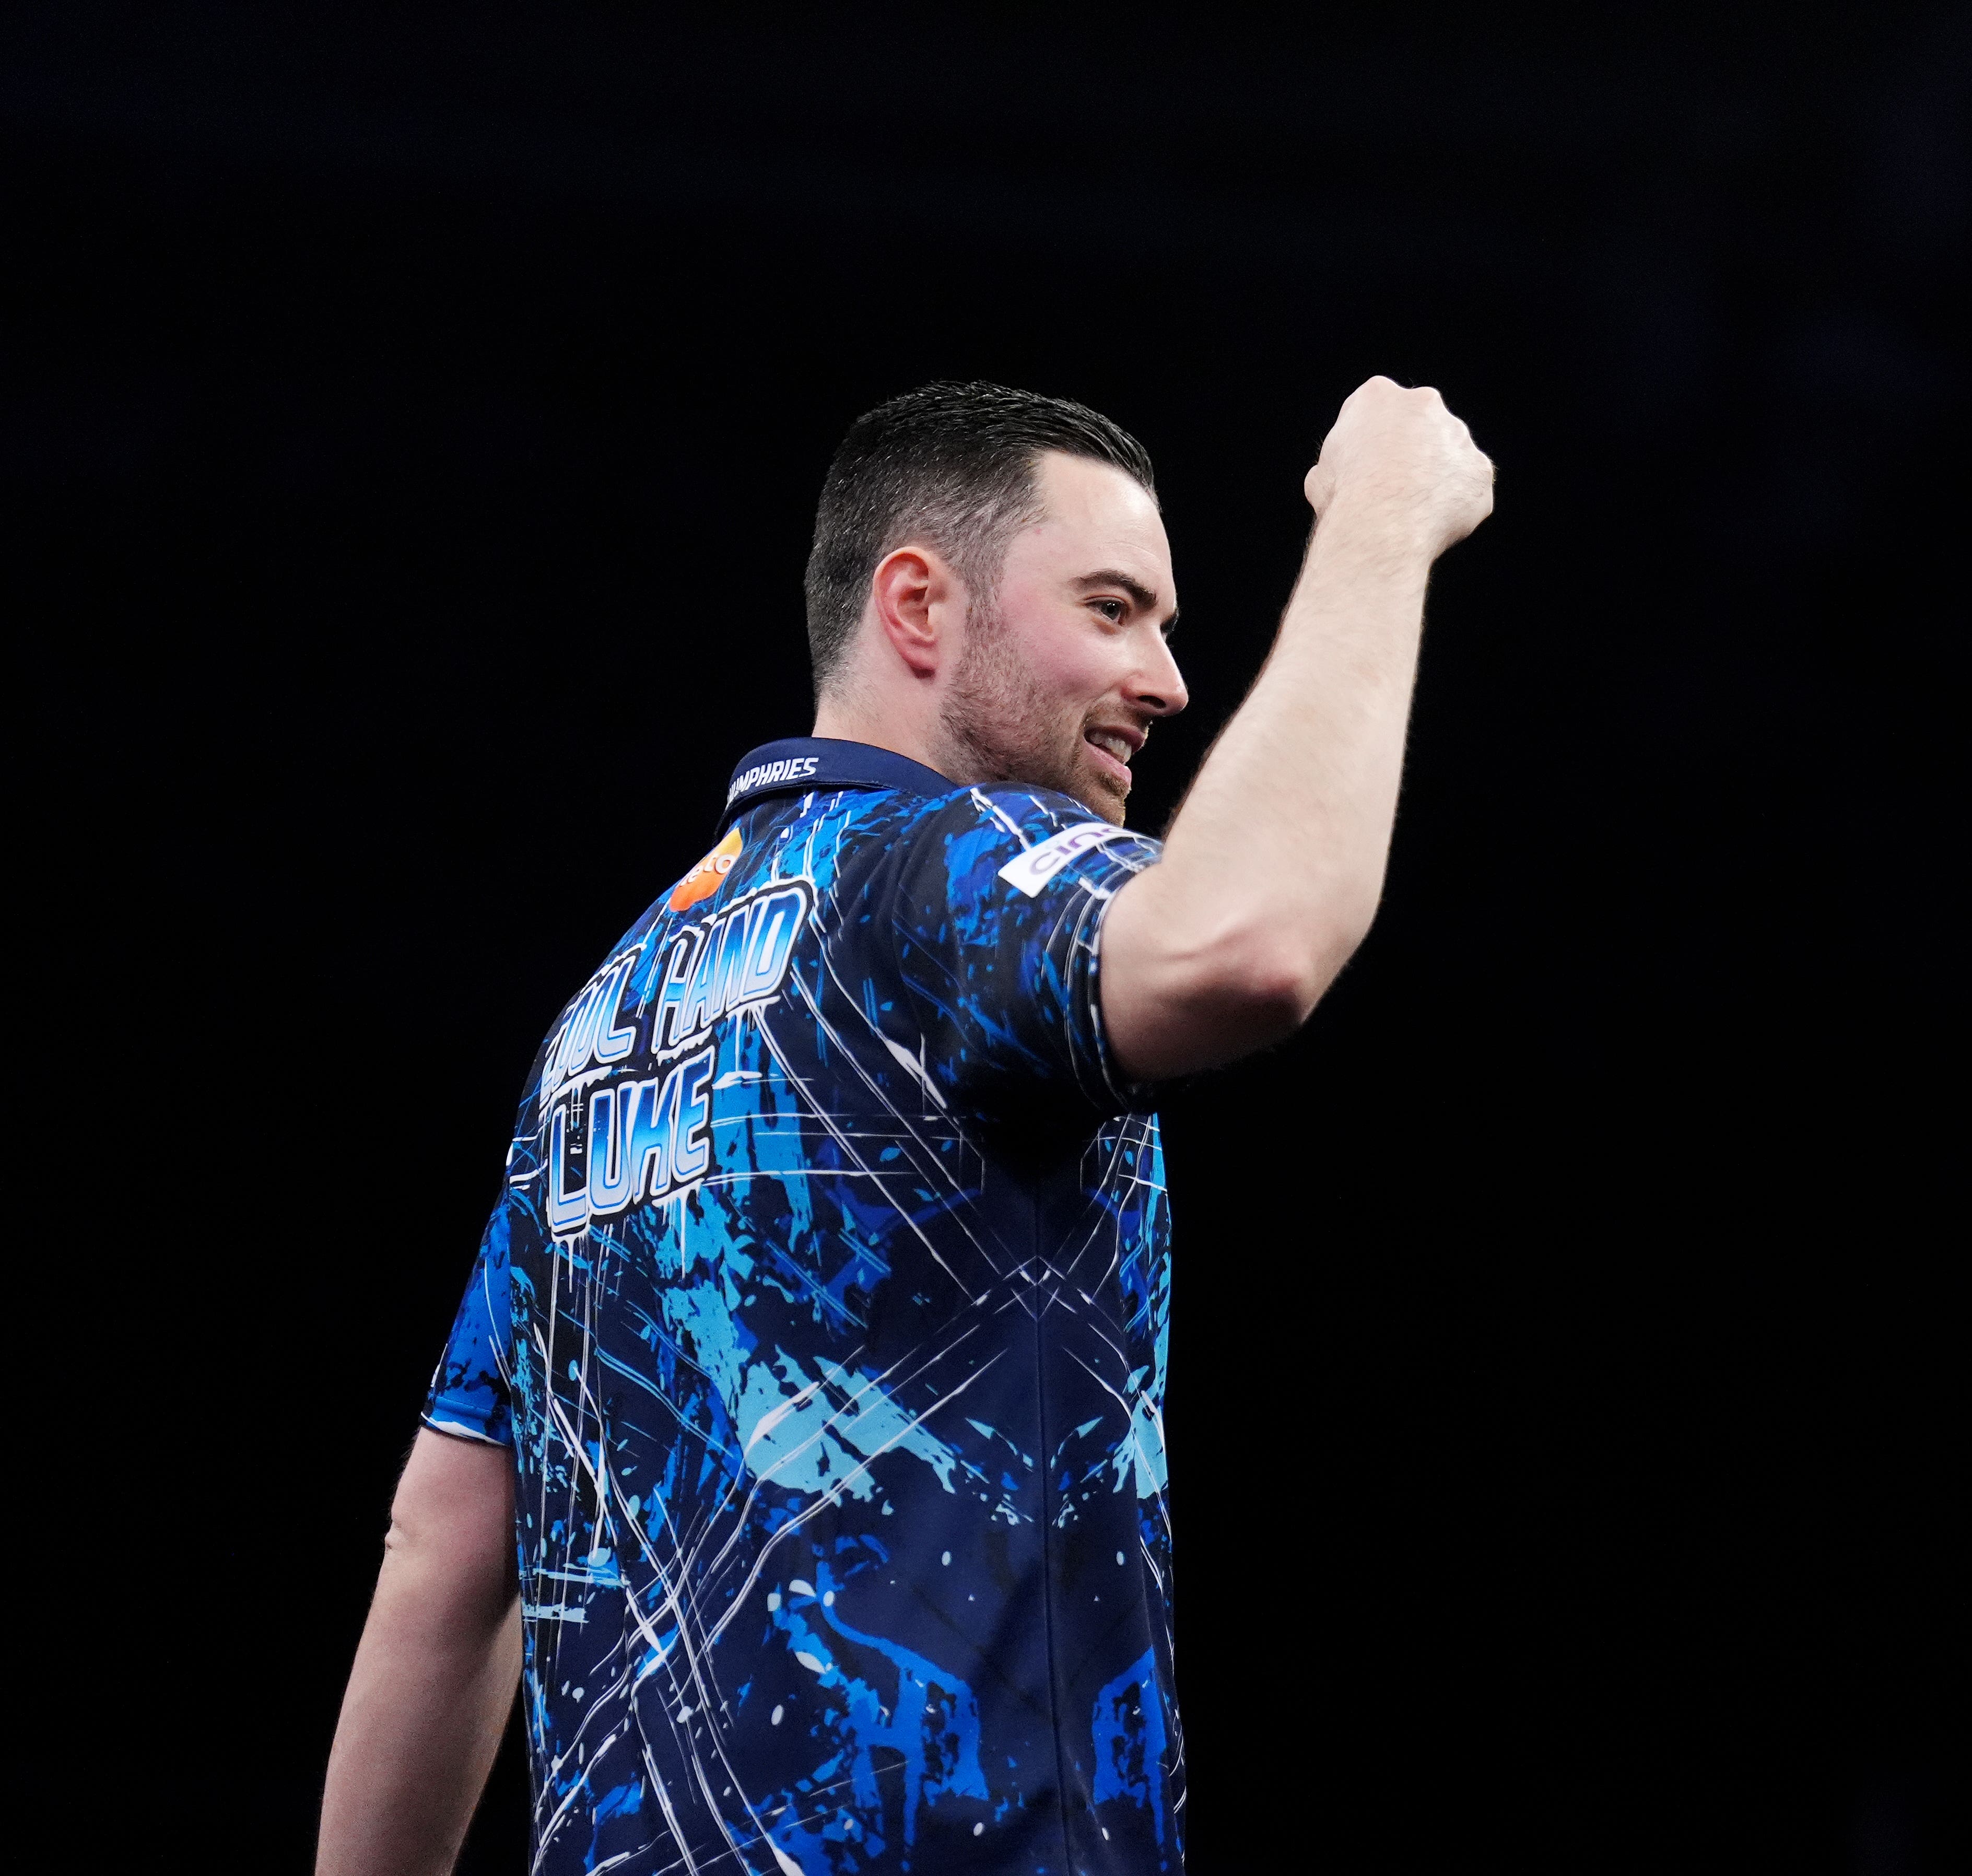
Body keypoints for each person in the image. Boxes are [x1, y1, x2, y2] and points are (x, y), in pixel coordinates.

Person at [315, 377, 1493, 1876]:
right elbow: (1242, 946)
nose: (1169, 679)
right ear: (919, 607)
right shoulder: (943, 868)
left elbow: (441, 1549)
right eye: (1116, 608)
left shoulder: (604, 1022)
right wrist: (1382, 525)